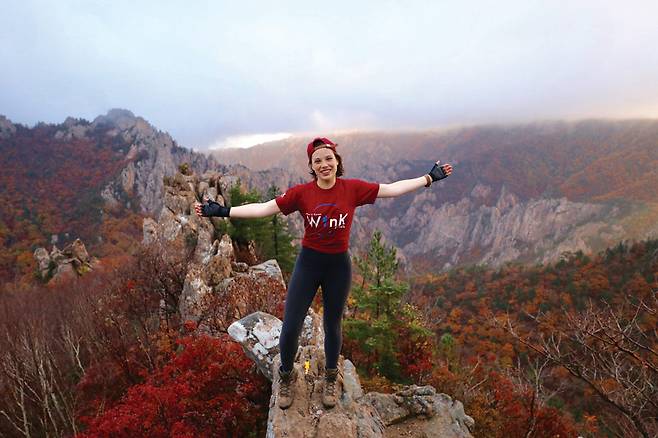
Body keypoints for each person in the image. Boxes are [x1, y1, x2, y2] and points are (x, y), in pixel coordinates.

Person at [195, 137, 452, 409]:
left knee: (332, 325)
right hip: (309, 264)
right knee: (291, 325)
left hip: (338, 267)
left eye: (328, 158)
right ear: (312, 166)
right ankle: (286, 374)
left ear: (337, 162)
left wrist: (428, 178)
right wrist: (224, 211)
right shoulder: (302, 194)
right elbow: (265, 208)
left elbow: (392, 189)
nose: (324, 164)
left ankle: (331, 376)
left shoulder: (352, 189)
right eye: (317, 161)